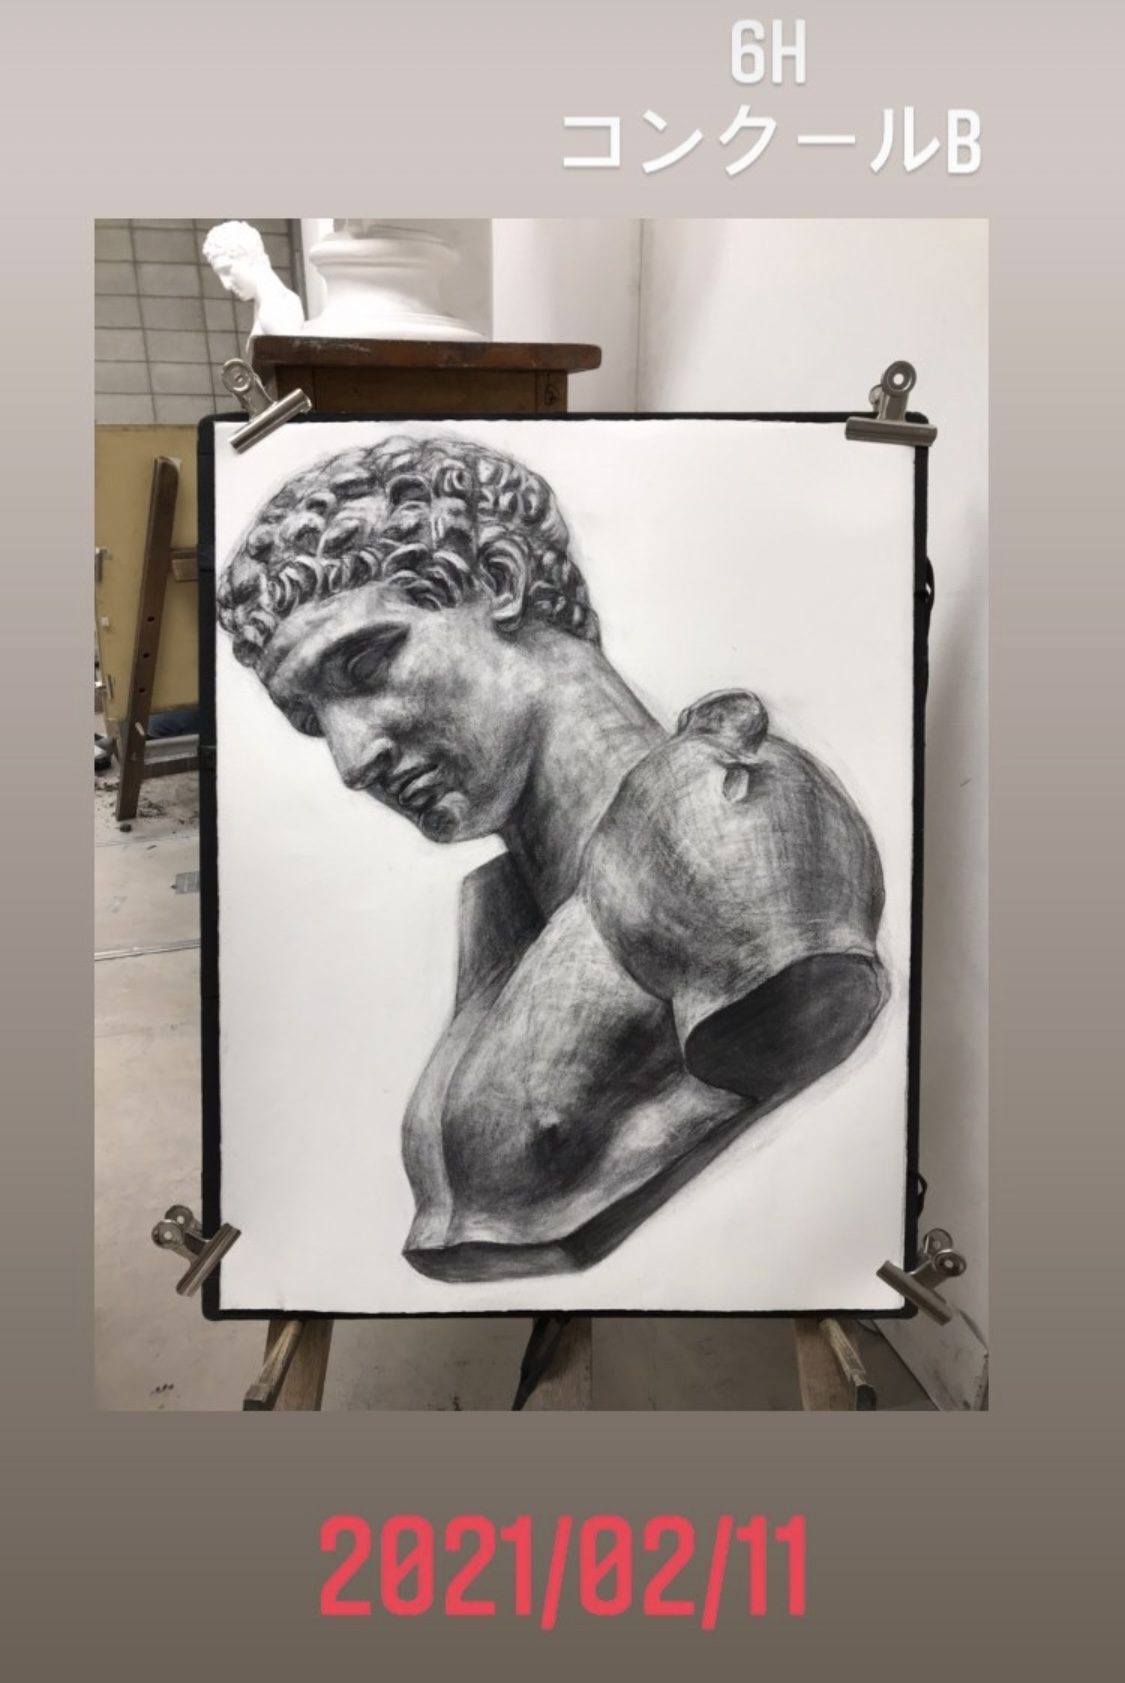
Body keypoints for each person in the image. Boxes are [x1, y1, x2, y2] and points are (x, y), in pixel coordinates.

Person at [218, 434, 888, 1281]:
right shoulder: (505, 906)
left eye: (365, 662)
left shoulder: (722, 814)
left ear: (500, 581)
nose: (353, 759)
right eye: (314, 721)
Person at [201, 221, 304, 342]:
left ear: (248, 257)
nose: (226, 285)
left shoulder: (272, 312)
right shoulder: (278, 301)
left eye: (227, 270)